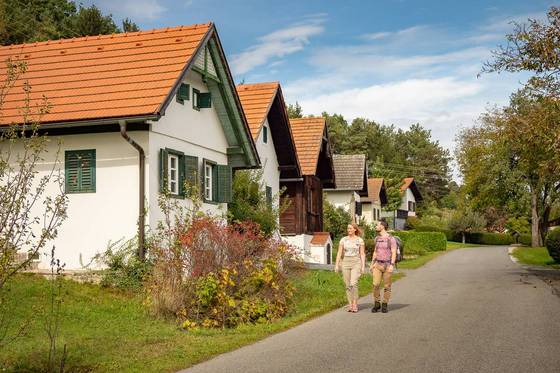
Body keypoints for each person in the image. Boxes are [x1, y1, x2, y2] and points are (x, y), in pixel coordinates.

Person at [335, 223, 366, 313]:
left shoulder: (359, 240)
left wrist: (363, 266)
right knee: (347, 285)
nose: (348, 230)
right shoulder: (343, 240)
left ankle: (355, 303)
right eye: (348, 228)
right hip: (345, 262)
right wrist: (337, 265)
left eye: (350, 228)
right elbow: (339, 253)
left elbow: (362, 254)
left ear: (355, 229)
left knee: (353, 283)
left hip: (356, 262)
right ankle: (350, 304)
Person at [370, 220, 397, 313]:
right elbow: (375, 251)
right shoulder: (377, 238)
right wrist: (372, 263)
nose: (376, 226)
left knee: (387, 286)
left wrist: (392, 265)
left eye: (377, 225)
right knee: (375, 284)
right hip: (377, 264)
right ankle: (377, 303)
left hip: (387, 265)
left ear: (382, 226)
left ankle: (385, 304)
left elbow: (393, 252)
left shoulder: (391, 239)